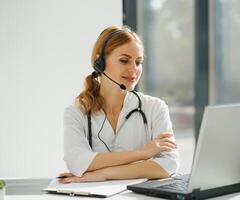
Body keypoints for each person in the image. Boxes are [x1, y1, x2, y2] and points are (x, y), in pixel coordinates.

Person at [59, 26, 179, 183]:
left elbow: (168, 164)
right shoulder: (77, 112)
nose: (134, 69)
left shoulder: (155, 108)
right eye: (124, 60)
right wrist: (142, 153)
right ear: (99, 62)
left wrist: (103, 174)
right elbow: (77, 162)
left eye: (138, 62)